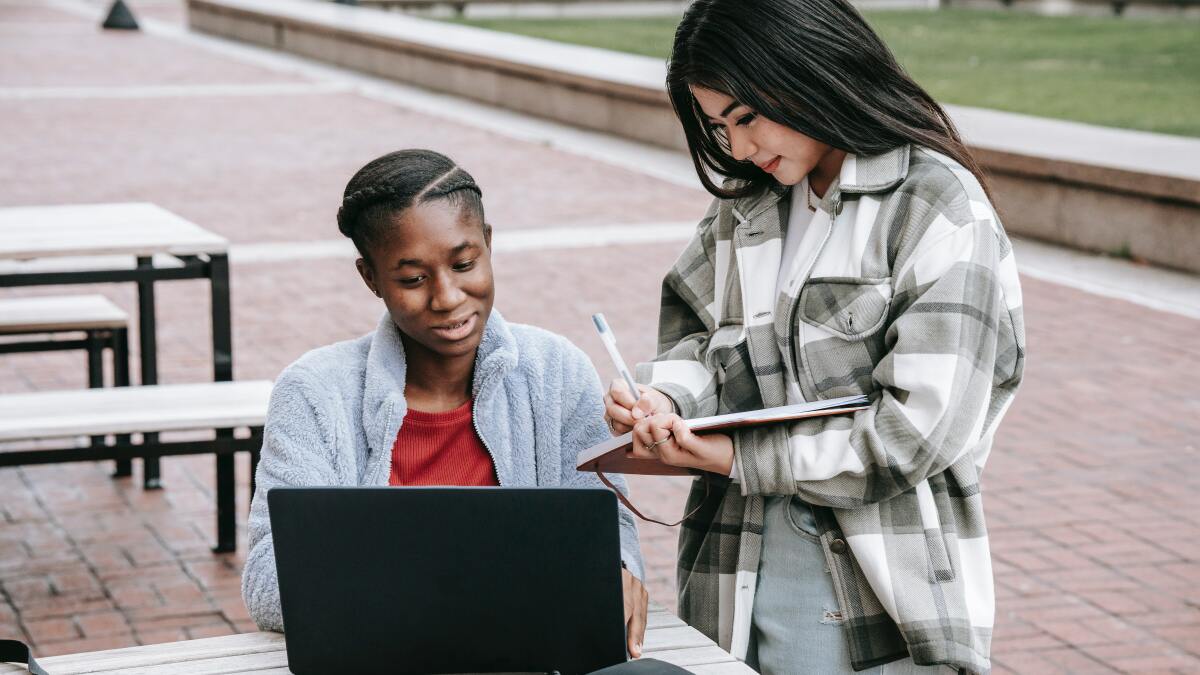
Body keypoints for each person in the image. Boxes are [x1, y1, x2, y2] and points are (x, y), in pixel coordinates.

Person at [603, 1, 1026, 673]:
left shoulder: (936, 207)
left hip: (874, 576)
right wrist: (662, 399)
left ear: (810, 70)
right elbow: (701, 342)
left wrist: (735, 459)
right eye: (719, 125)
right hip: (733, 559)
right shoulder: (746, 207)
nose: (737, 148)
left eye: (746, 117)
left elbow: (912, 433)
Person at [242, 149, 649, 656]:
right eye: (413, 279)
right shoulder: (313, 393)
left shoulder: (557, 372)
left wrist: (617, 572)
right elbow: (267, 580)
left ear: (489, 245)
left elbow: (609, 532)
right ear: (370, 277)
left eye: (464, 264)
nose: (448, 297)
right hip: (377, 662)